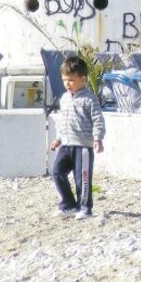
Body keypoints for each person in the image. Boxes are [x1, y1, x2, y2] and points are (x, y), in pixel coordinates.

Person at [49, 55, 105, 220]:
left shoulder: (90, 99)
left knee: (83, 179)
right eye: (65, 80)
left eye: (71, 80)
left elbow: (98, 120)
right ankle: (68, 204)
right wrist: (58, 139)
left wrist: (97, 138)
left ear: (83, 79)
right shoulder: (64, 99)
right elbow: (63, 121)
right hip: (66, 145)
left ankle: (85, 208)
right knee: (57, 172)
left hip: (83, 147)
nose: (67, 84)